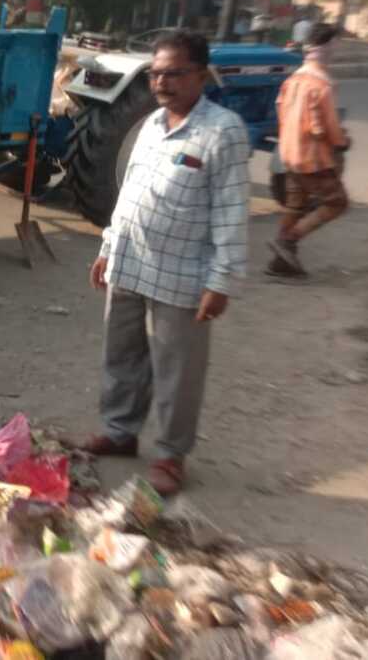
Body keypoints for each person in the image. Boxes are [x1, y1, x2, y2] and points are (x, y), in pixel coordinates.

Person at [78, 31, 250, 496]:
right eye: (156, 73)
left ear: (201, 74)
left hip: (182, 273)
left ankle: (171, 454)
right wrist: (109, 246)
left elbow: (231, 210)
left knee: (177, 366)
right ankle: (120, 431)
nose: (162, 82)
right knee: (122, 355)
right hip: (131, 262)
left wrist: (222, 280)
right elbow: (130, 192)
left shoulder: (223, 131)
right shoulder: (152, 123)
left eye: (174, 73)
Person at [267, 23, 350, 278]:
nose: (338, 47)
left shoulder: (292, 80)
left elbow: (281, 110)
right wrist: (341, 142)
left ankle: (280, 265)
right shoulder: (322, 85)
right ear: (330, 45)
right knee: (337, 202)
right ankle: (288, 240)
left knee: (295, 206)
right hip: (312, 159)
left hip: (289, 153)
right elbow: (326, 128)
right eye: (337, 42)